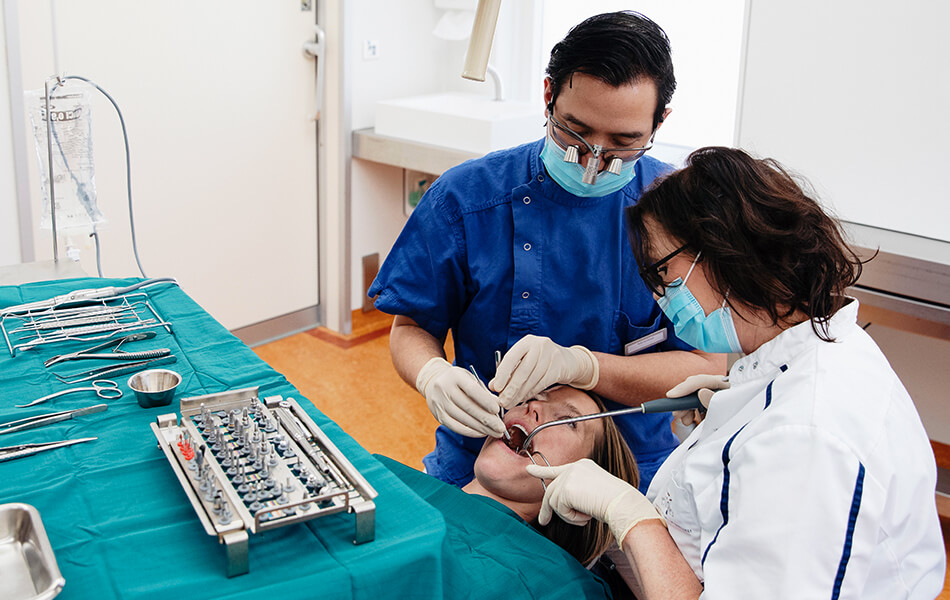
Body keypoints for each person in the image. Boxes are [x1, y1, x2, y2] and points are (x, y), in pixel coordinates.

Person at [526, 147, 946, 599]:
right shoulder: (814, 352)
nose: (662, 297)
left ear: (725, 250)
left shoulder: (805, 434)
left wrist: (630, 515)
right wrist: (741, 399)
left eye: (665, 273)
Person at [369, 10, 724, 493]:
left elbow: (707, 366)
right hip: (486, 457)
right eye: (575, 132)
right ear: (548, 95)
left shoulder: (679, 215)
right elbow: (411, 326)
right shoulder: (467, 201)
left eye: (623, 143)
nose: (593, 163)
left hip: (633, 473)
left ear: (659, 122)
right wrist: (431, 374)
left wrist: (586, 365)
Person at [376, 384, 639, 598]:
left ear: (585, 482)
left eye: (569, 421)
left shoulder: (562, 588)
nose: (533, 406)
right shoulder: (384, 476)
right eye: (534, 396)